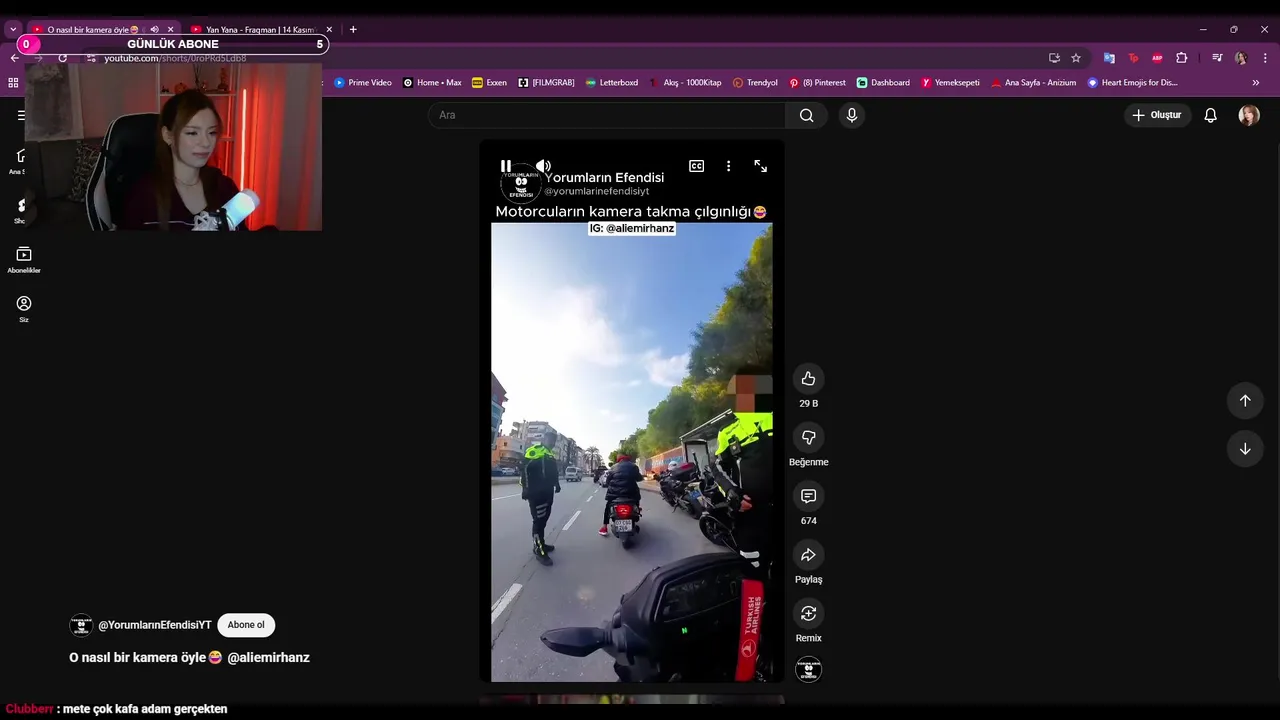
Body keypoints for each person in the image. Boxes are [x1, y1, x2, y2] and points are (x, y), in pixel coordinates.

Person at [118, 90, 240, 231]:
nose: (206, 143)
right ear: (167, 136)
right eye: (192, 133)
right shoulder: (143, 196)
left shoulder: (225, 189)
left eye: (212, 132)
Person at [715, 411, 774, 572]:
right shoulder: (727, 430)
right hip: (751, 514)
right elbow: (717, 466)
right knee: (752, 569)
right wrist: (731, 492)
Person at [520, 431, 561, 566]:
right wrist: (525, 489)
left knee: (544, 519)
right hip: (536, 493)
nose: (552, 442)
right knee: (538, 521)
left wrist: (557, 484)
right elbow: (524, 469)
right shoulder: (535, 450)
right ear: (544, 439)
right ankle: (538, 550)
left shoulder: (550, 454)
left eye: (554, 440)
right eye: (550, 439)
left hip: (547, 492)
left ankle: (541, 543)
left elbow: (553, 472)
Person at [599, 454, 642, 536]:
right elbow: (639, 478)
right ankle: (636, 510)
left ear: (619, 460)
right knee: (636, 500)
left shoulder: (613, 467)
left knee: (608, 507)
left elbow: (608, 481)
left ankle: (604, 527)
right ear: (628, 459)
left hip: (614, 494)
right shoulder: (633, 466)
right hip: (630, 493)